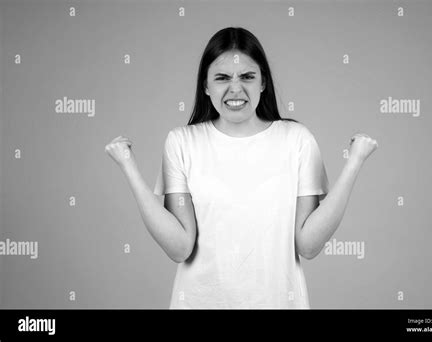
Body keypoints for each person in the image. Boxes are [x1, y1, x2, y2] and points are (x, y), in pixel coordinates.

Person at [105, 27, 378, 309]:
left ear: (262, 82)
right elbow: (180, 247)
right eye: (222, 78)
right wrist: (129, 167)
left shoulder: (296, 140)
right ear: (206, 86)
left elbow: (308, 245)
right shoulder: (182, 143)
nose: (235, 89)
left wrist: (354, 162)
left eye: (247, 77)